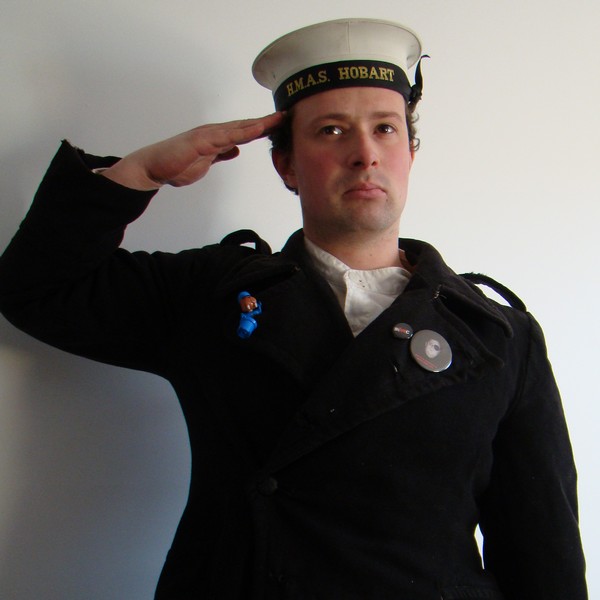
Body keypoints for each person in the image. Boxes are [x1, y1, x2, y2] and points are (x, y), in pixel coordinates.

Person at [0, 18, 587, 600]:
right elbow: (38, 290)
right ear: (286, 164)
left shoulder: (497, 336)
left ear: (409, 153)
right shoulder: (214, 294)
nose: (364, 154)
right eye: (331, 131)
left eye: (384, 129)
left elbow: (543, 557)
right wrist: (140, 173)